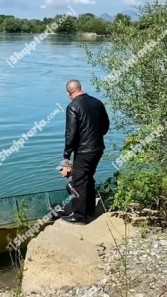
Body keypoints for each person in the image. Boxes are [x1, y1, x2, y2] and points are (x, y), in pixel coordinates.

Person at [61, 79, 110, 224]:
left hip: (84, 151)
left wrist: (66, 157)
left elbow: (71, 134)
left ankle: (79, 216)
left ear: (68, 93)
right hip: (98, 148)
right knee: (88, 178)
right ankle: (89, 210)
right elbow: (105, 126)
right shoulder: (97, 102)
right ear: (81, 88)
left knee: (78, 182)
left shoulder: (73, 107)